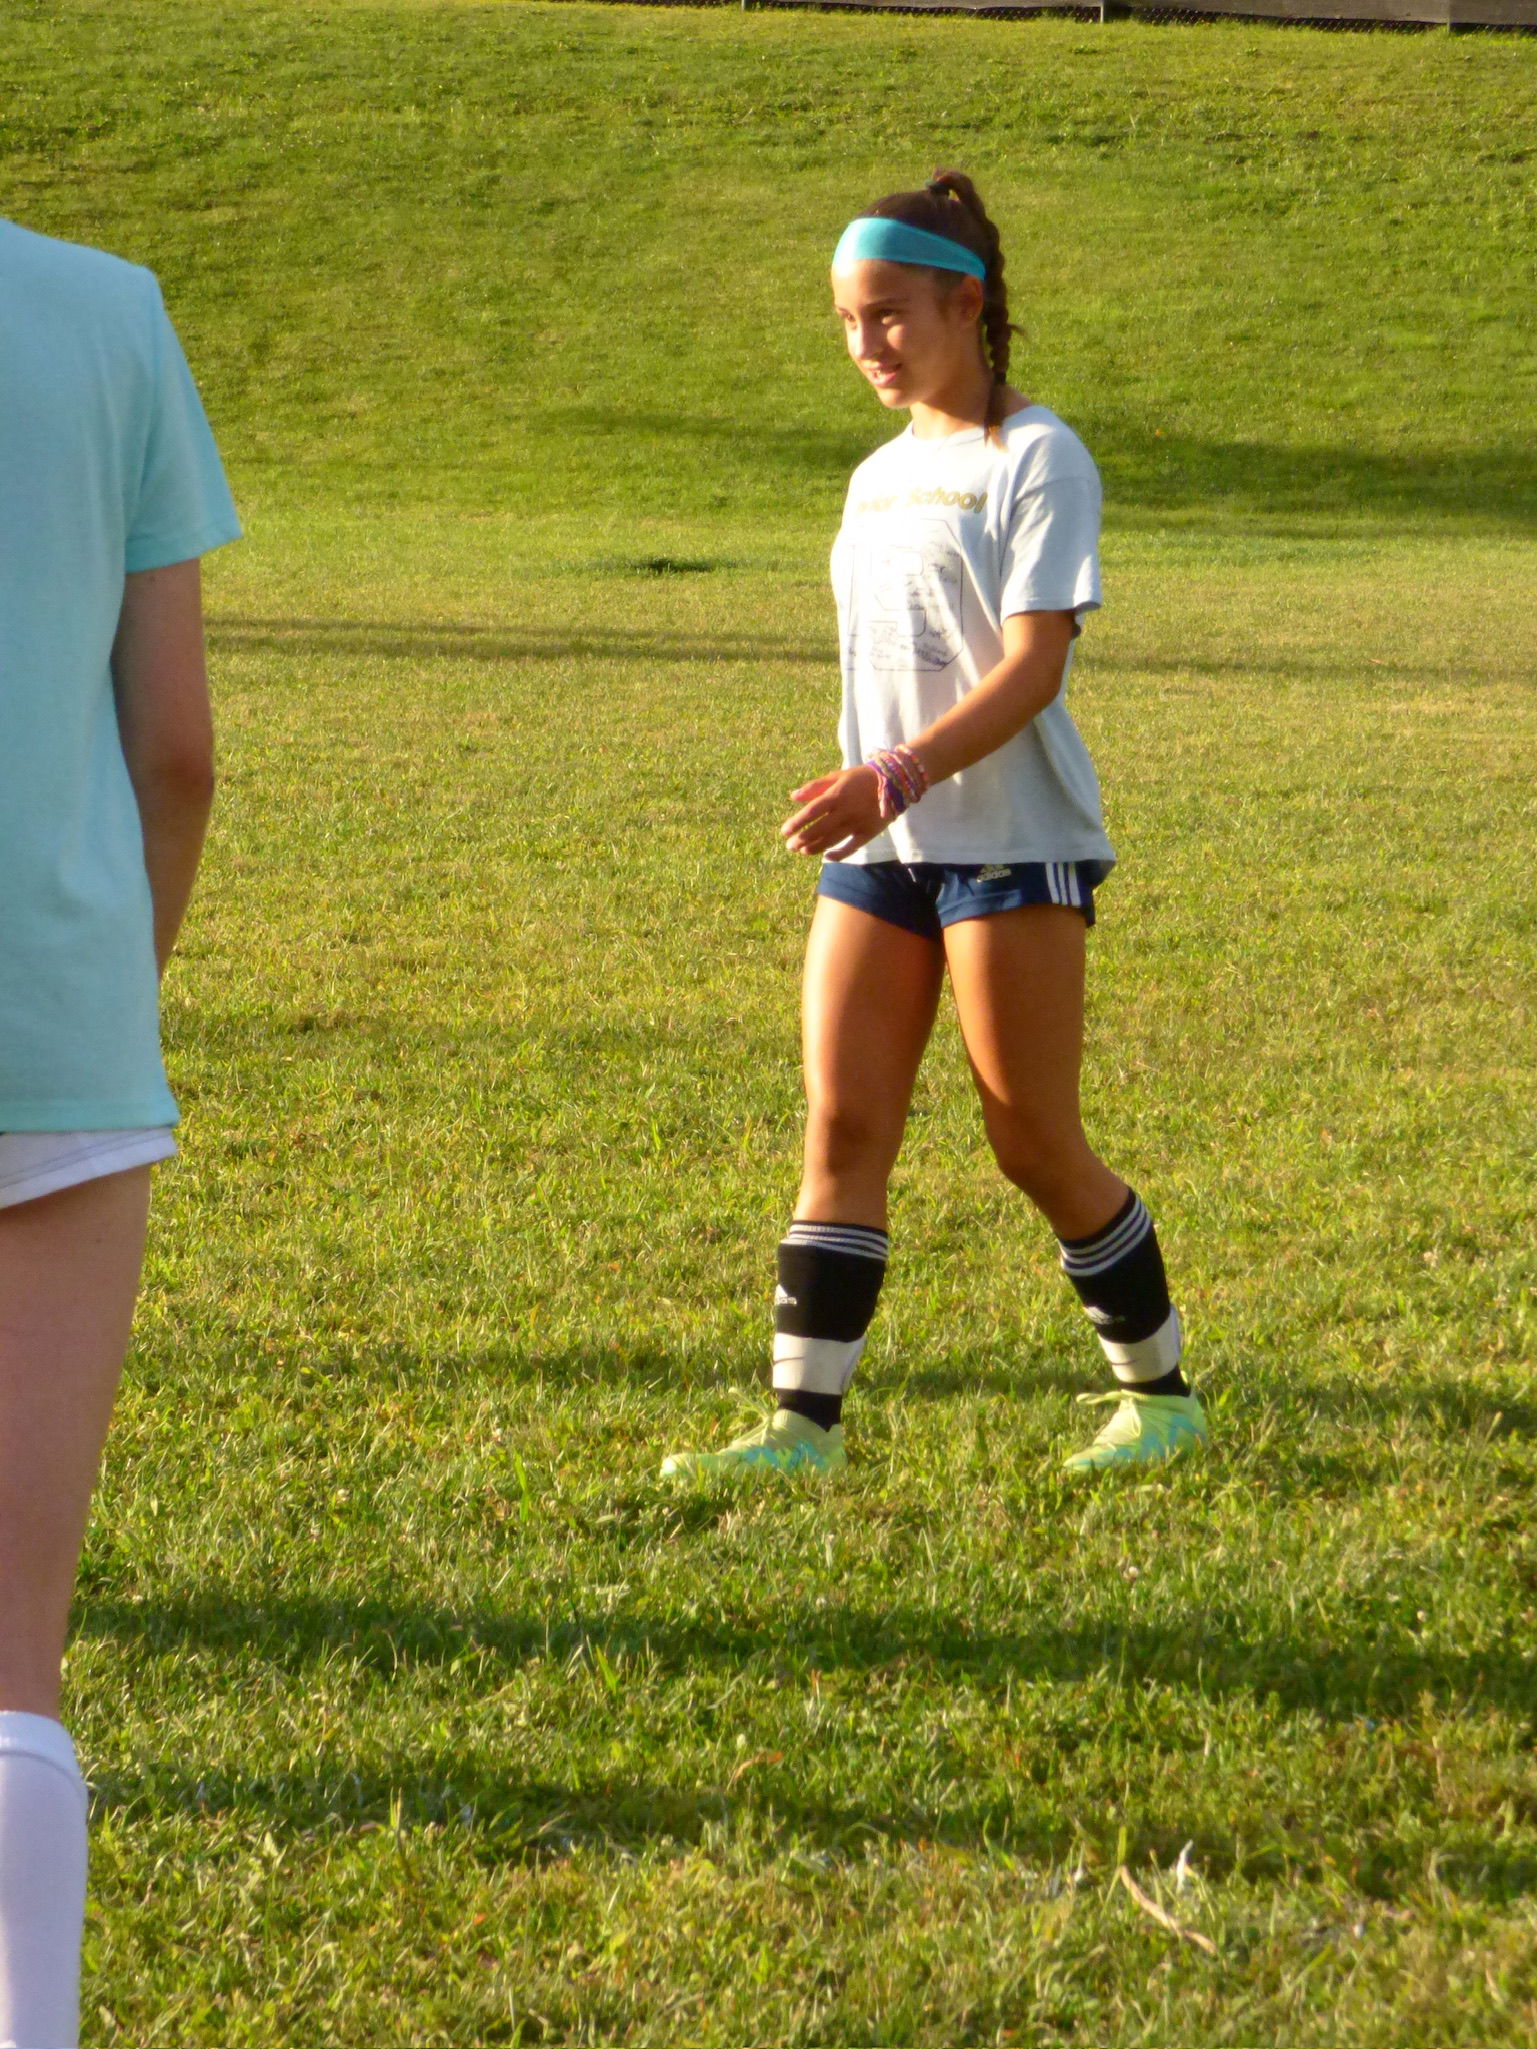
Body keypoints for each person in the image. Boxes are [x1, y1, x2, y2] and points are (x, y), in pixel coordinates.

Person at [662, 172, 1208, 1486]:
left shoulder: (1037, 456)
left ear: (967, 304)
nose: (868, 343)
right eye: (848, 321)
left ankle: (1163, 1403)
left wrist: (895, 773)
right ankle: (800, 1430)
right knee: (842, 1130)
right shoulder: (874, 478)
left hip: (1011, 843)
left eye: (891, 314)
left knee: (1032, 1142)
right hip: (881, 854)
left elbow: (1033, 668)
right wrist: (877, 797)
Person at [0, 216, 239, 2047]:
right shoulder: (107, 313)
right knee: (11, 1658)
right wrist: (102, 987)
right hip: (52, 1022)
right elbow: (176, 750)